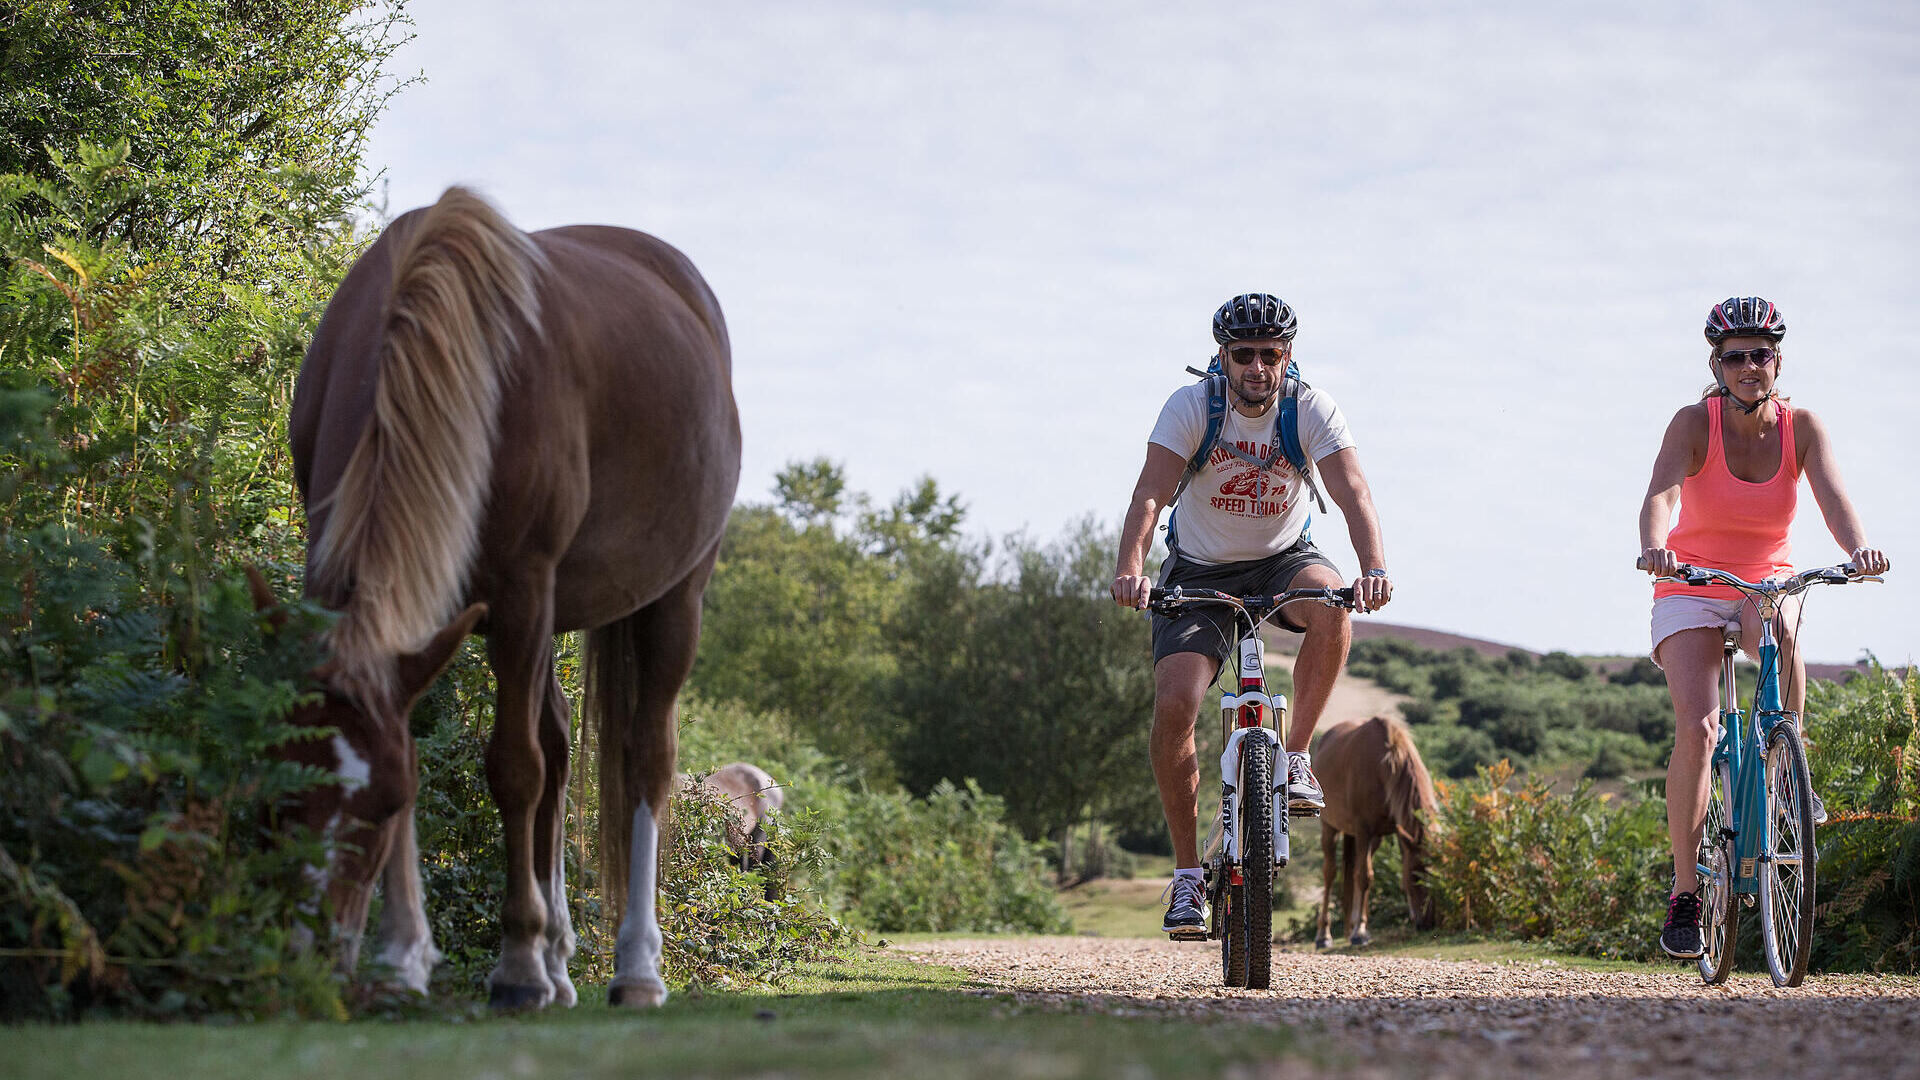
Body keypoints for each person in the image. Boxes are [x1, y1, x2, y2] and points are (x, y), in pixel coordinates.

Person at [1112, 293, 1392, 937]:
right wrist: (1132, 566)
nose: (1258, 368)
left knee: (1330, 604)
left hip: (1282, 559)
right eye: (1245, 355)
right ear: (1223, 357)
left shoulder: (1310, 409)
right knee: (1176, 701)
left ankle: (1295, 759)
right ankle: (1187, 878)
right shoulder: (1192, 407)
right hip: (1199, 570)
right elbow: (1150, 494)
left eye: (1271, 355)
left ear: (1287, 357)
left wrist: (1373, 565)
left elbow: (1353, 493)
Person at [1637, 296, 1891, 960]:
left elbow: (1834, 496)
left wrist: (1859, 549)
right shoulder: (1695, 422)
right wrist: (1655, 544)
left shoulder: (1801, 426)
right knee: (1698, 727)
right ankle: (1688, 889)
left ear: (1778, 359)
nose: (1751, 366)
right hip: (1690, 581)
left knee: (1780, 627)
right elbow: (1662, 493)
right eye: (1736, 357)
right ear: (1717, 365)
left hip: (1763, 577)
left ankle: (1786, 771)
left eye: (1762, 354)